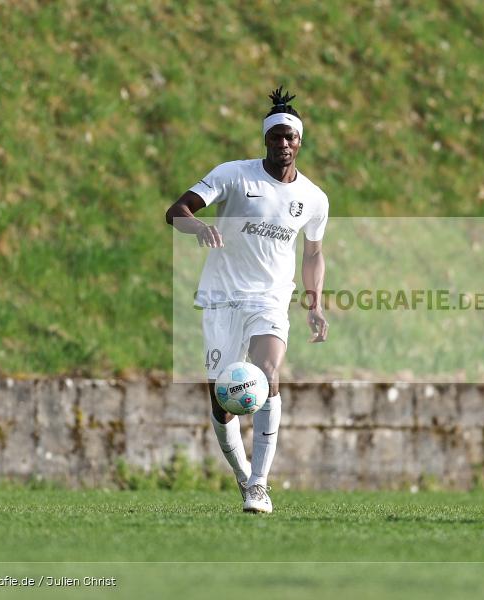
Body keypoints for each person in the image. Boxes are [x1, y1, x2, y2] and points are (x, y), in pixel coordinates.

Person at [165, 87, 329, 513]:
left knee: (269, 373)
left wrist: (314, 303)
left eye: (290, 137)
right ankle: (242, 475)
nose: (283, 143)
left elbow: (313, 253)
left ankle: (259, 484)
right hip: (222, 298)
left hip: (270, 300)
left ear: (300, 142)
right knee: (224, 399)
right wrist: (199, 227)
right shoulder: (234, 175)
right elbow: (176, 210)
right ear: (265, 139)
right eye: (275, 136)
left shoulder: (314, 198)